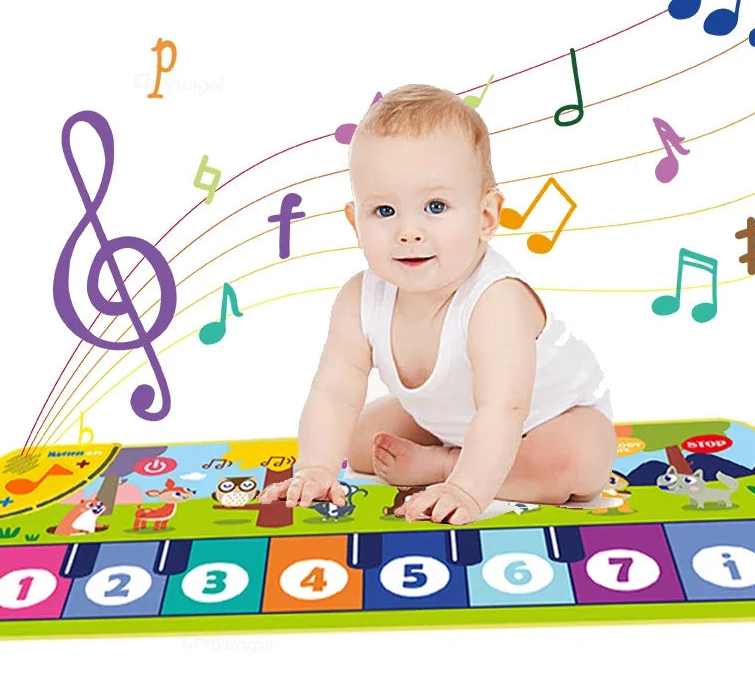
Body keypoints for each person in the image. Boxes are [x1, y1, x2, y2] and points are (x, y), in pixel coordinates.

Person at [258, 84, 615, 525]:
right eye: (385, 211)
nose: (408, 231)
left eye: (435, 206)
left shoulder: (495, 301)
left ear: (486, 217)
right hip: (456, 419)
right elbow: (334, 391)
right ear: (355, 221)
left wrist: (462, 486)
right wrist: (316, 468)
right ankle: (448, 452)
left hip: (550, 419)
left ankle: (443, 463)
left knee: (577, 461)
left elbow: (504, 409)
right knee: (361, 441)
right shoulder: (359, 298)